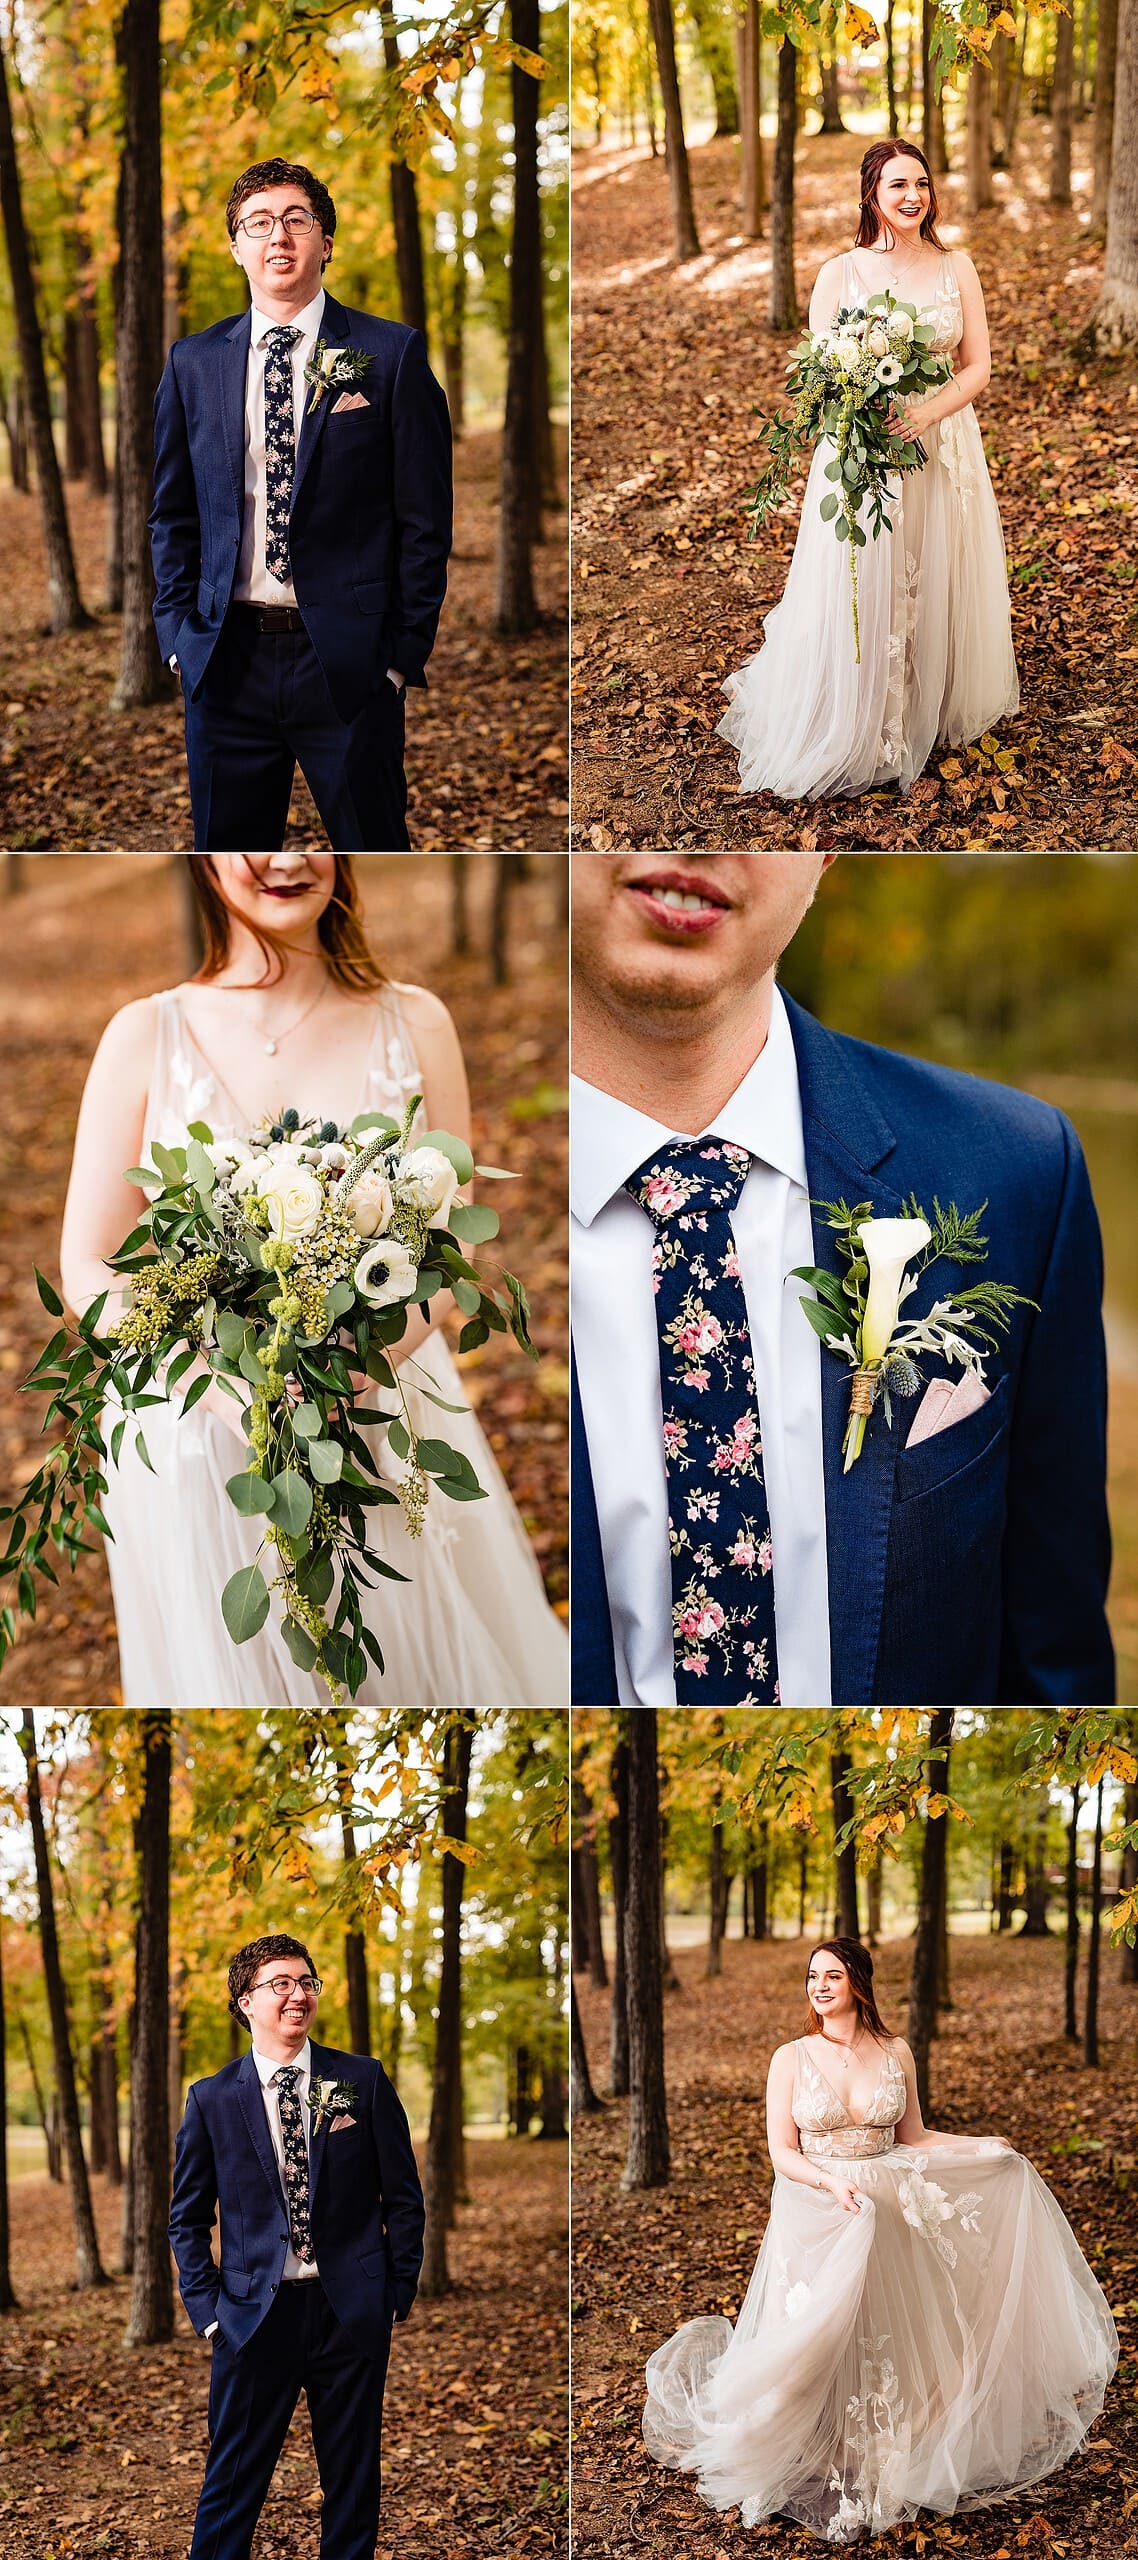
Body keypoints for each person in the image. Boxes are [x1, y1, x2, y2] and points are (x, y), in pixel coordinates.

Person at [571, 854, 1114, 1707]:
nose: (695, 844)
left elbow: (1057, 1661)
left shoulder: (1017, 1171)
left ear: (822, 854)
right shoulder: (446, 1225)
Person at [59, 852, 568, 1707]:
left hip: (380, 1412)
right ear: (203, 857)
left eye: (307, 837)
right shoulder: (145, 1034)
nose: (285, 858)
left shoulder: (419, 1022)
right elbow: (88, 1265)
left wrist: (359, 1374)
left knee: (403, 1663)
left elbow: (455, 1248)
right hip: (199, 1427)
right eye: (249, 841)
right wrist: (222, 1388)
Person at [642, 1937, 1118, 2544]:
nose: (818, 1986)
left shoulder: (896, 2051)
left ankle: (884, 2454)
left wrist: (982, 2147)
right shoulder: (790, 2057)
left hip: (889, 2199)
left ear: (858, 1984)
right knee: (817, 2331)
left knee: (887, 2329)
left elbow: (914, 2135)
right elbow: (781, 2151)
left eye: (832, 1976)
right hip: (817, 2204)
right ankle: (809, 2450)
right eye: (812, 1975)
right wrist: (830, 2183)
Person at [150, 157, 452, 852]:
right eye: (258, 223)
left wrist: (400, 657)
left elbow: (424, 519)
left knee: (374, 857)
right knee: (230, 866)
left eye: (296, 219)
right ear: (236, 248)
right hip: (224, 663)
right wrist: (176, 639)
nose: (277, 236)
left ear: (325, 240)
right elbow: (172, 512)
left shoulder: (390, 354)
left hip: (347, 665)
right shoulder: (191, 363)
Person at [717, 141, 1019, 802]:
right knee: (866, 572)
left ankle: (927, 701)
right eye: (897, 186)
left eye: (921, 183)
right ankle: (862, 711)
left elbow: (977, 366)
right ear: (871, 196)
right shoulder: (840, 274)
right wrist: (862, 419)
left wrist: (927, 413)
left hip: (941, 446)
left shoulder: (956, 267)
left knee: (933, 568)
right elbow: (821, 377)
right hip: (863, 449)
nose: (912, 197)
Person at [170, 1933, 423, 2560]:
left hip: (350, 2315)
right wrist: (208, 2316)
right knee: (231, 2486)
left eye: (306, 1982)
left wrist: (394, 2291)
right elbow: (187, 2218)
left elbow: (404, 2196)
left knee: (352, 2482)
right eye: (279, 1983)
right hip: (254, 2318)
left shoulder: (360, 2081)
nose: (296, 1995)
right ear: (245, 2002)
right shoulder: (211, 2099)